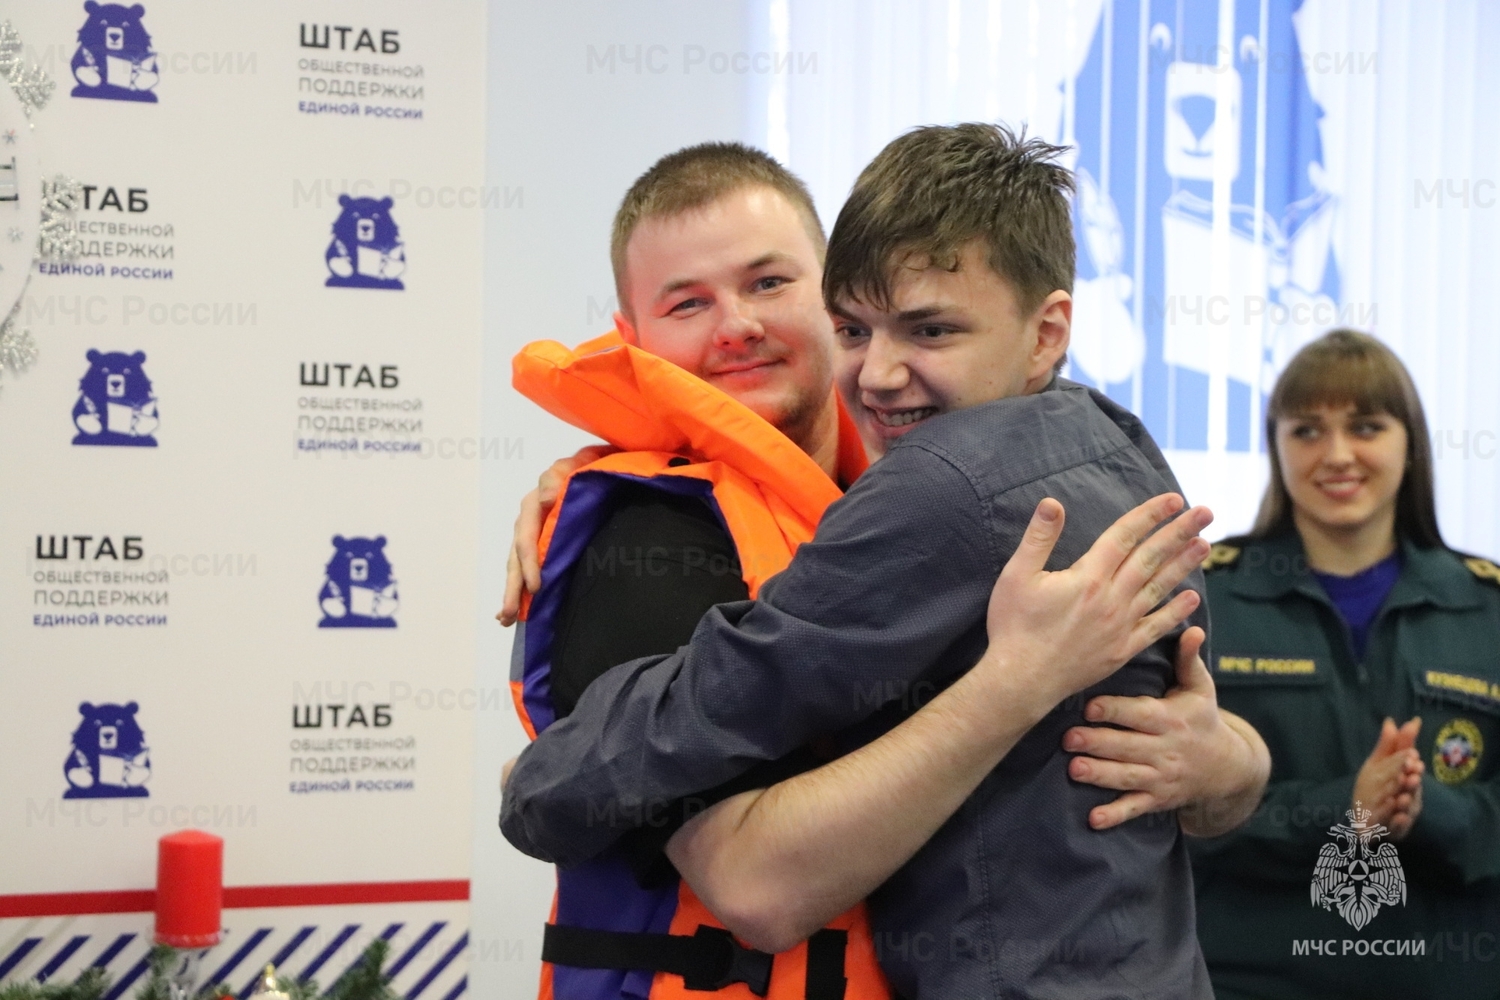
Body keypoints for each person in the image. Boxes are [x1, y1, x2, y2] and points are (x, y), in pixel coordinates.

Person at [503, 124, 1270, 999]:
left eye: (768, 282)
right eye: (687, 305)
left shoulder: (929, 473)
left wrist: (1227, 759)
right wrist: (1018, 688)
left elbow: (1199, 744)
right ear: (631, 336)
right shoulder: (1109, 438)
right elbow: (756, 885)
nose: (739, 326)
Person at [1190, 329, 1500, 1000]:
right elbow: (1173, 813)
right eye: (1306, 430)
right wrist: (1343, 809)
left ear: (1410, 444)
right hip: (1250, 982)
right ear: (1275, 446)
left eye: (1365, 427)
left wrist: (1425, 809)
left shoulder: (1487, 608)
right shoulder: (1205, 603)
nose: (1336, 455)